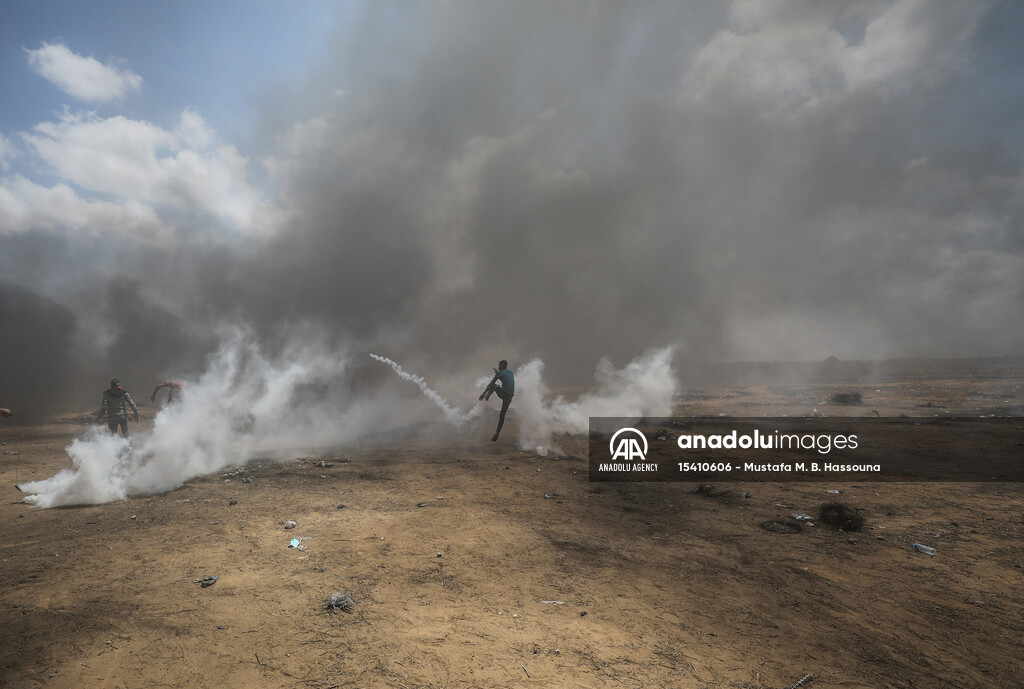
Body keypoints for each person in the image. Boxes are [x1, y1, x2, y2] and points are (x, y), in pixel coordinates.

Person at [479, 360, 515, 441]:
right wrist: (497, 373)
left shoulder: (500, 373)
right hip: (510, 397)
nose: (498, 367)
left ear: (502, 366)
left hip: (503, 394)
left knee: (495, 386)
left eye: (499, 366)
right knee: (502, 415)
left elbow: (491, 384)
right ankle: (497, 434)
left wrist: (483, 394)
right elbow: (506, 380)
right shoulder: (510, 372)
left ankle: (487, 396)